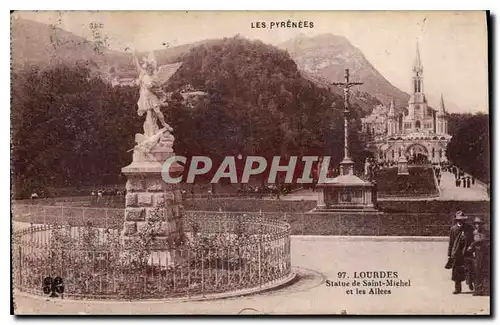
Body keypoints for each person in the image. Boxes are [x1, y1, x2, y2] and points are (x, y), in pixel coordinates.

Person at [447, 211, 475, 294]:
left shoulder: (469, 228)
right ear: (456, 220)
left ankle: (470, 283)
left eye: (462, 219)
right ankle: (458, 289)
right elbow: (451, 242)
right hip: (457, 252)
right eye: (458, 220)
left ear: (464, 220)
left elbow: (473, 239)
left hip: (467, 251)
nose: (460, 221)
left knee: (470, 269)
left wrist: (472, 247)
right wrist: (449, 254)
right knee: (456, 270)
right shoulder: (453, 229)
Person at [468, 217, 490, 296]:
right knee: (476, 272)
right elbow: (470, 242)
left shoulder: (486, 233)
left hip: (485, 253)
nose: (478, 226)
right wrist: (472, 246)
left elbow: (488, 241)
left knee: (485, 271)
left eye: (480, 224)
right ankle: (477, 290)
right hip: (477, 254)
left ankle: (485, 290)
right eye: (477, 224)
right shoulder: (473, 233)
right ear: (475, 225)